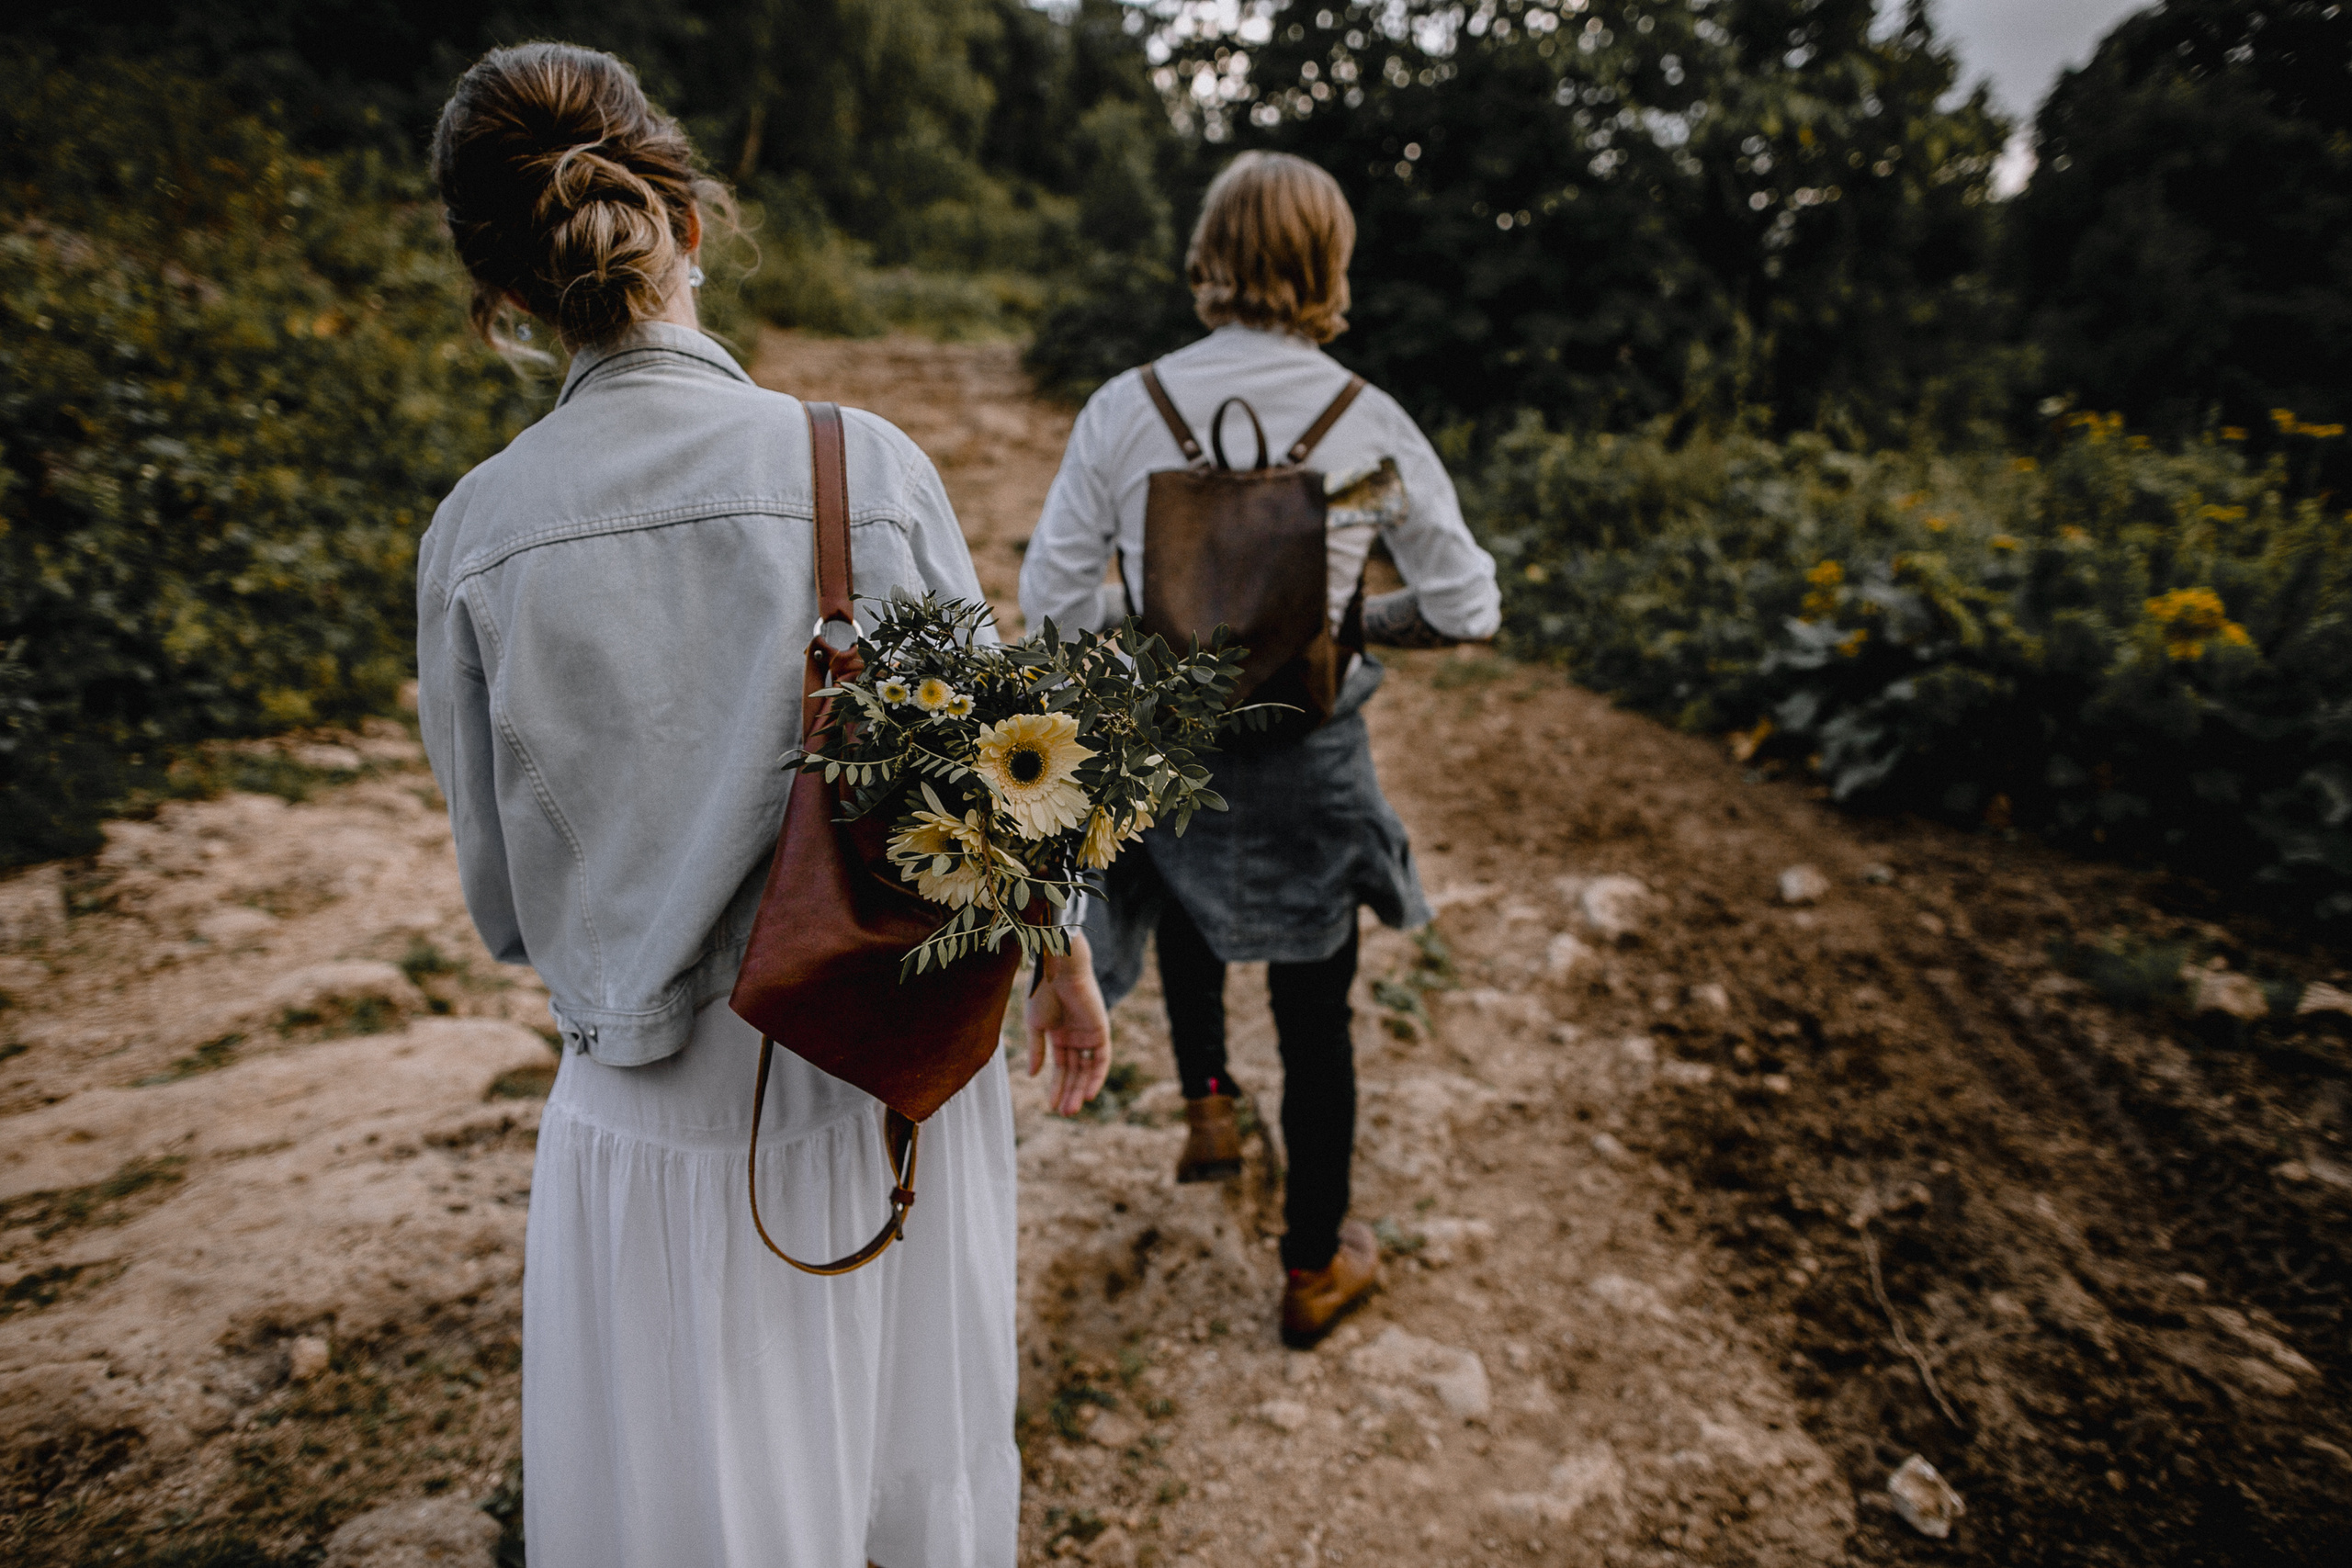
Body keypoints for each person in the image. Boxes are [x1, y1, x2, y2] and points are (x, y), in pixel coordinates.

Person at [416, 43, 1108, 1568]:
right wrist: (1063, 961)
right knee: (909, 1493)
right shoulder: (859, 461)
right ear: (691, 225)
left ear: (501, 297)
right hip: (883, 1076)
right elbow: (1006, 784)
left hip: (648, 1114)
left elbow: (497, 903)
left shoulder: (476, 534)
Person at [1020, 152, 1501, 1347]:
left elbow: (1055, 602)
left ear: (1211, 257)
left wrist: (1152, 664)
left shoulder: (1130, 409)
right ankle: (1311, 1269)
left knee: (1190, 905)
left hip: (1174, 742)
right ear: (1328, 267)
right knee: (1315, 1006)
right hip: (1310, 756)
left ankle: (1209, 1111)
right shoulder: (1362, 426)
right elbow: (1467, 604)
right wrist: (1353, 622)